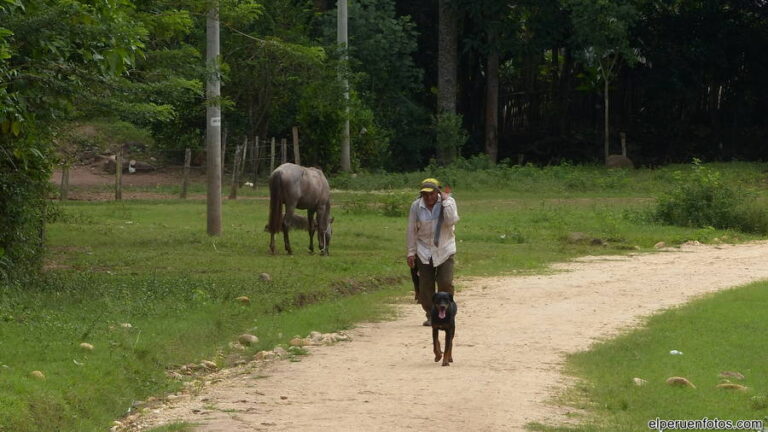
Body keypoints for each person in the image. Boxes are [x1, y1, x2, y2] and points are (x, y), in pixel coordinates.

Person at [406, 178, 459, 326]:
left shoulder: (449, 203)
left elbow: (451, 221)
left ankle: (448, 312)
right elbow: (411, 230)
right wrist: (411, 252)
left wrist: (446, 201)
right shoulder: (416, 206)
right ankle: (431, 315)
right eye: (425, 195)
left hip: (445, 249)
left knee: (445, 282)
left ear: (438, 192)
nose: (429, 198)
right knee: (425, 286)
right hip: (424, 250)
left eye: (432, 194)